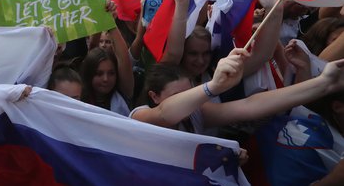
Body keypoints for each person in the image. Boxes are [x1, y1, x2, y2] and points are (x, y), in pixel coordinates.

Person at [130, 48, 344, 135]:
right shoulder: (140, 116)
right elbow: (166, 113)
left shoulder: (196, 112)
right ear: (154, 97)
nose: (191, 100)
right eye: (177, 95)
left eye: (190, 92)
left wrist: (325, 84)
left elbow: (250, 106)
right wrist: (213, 88)